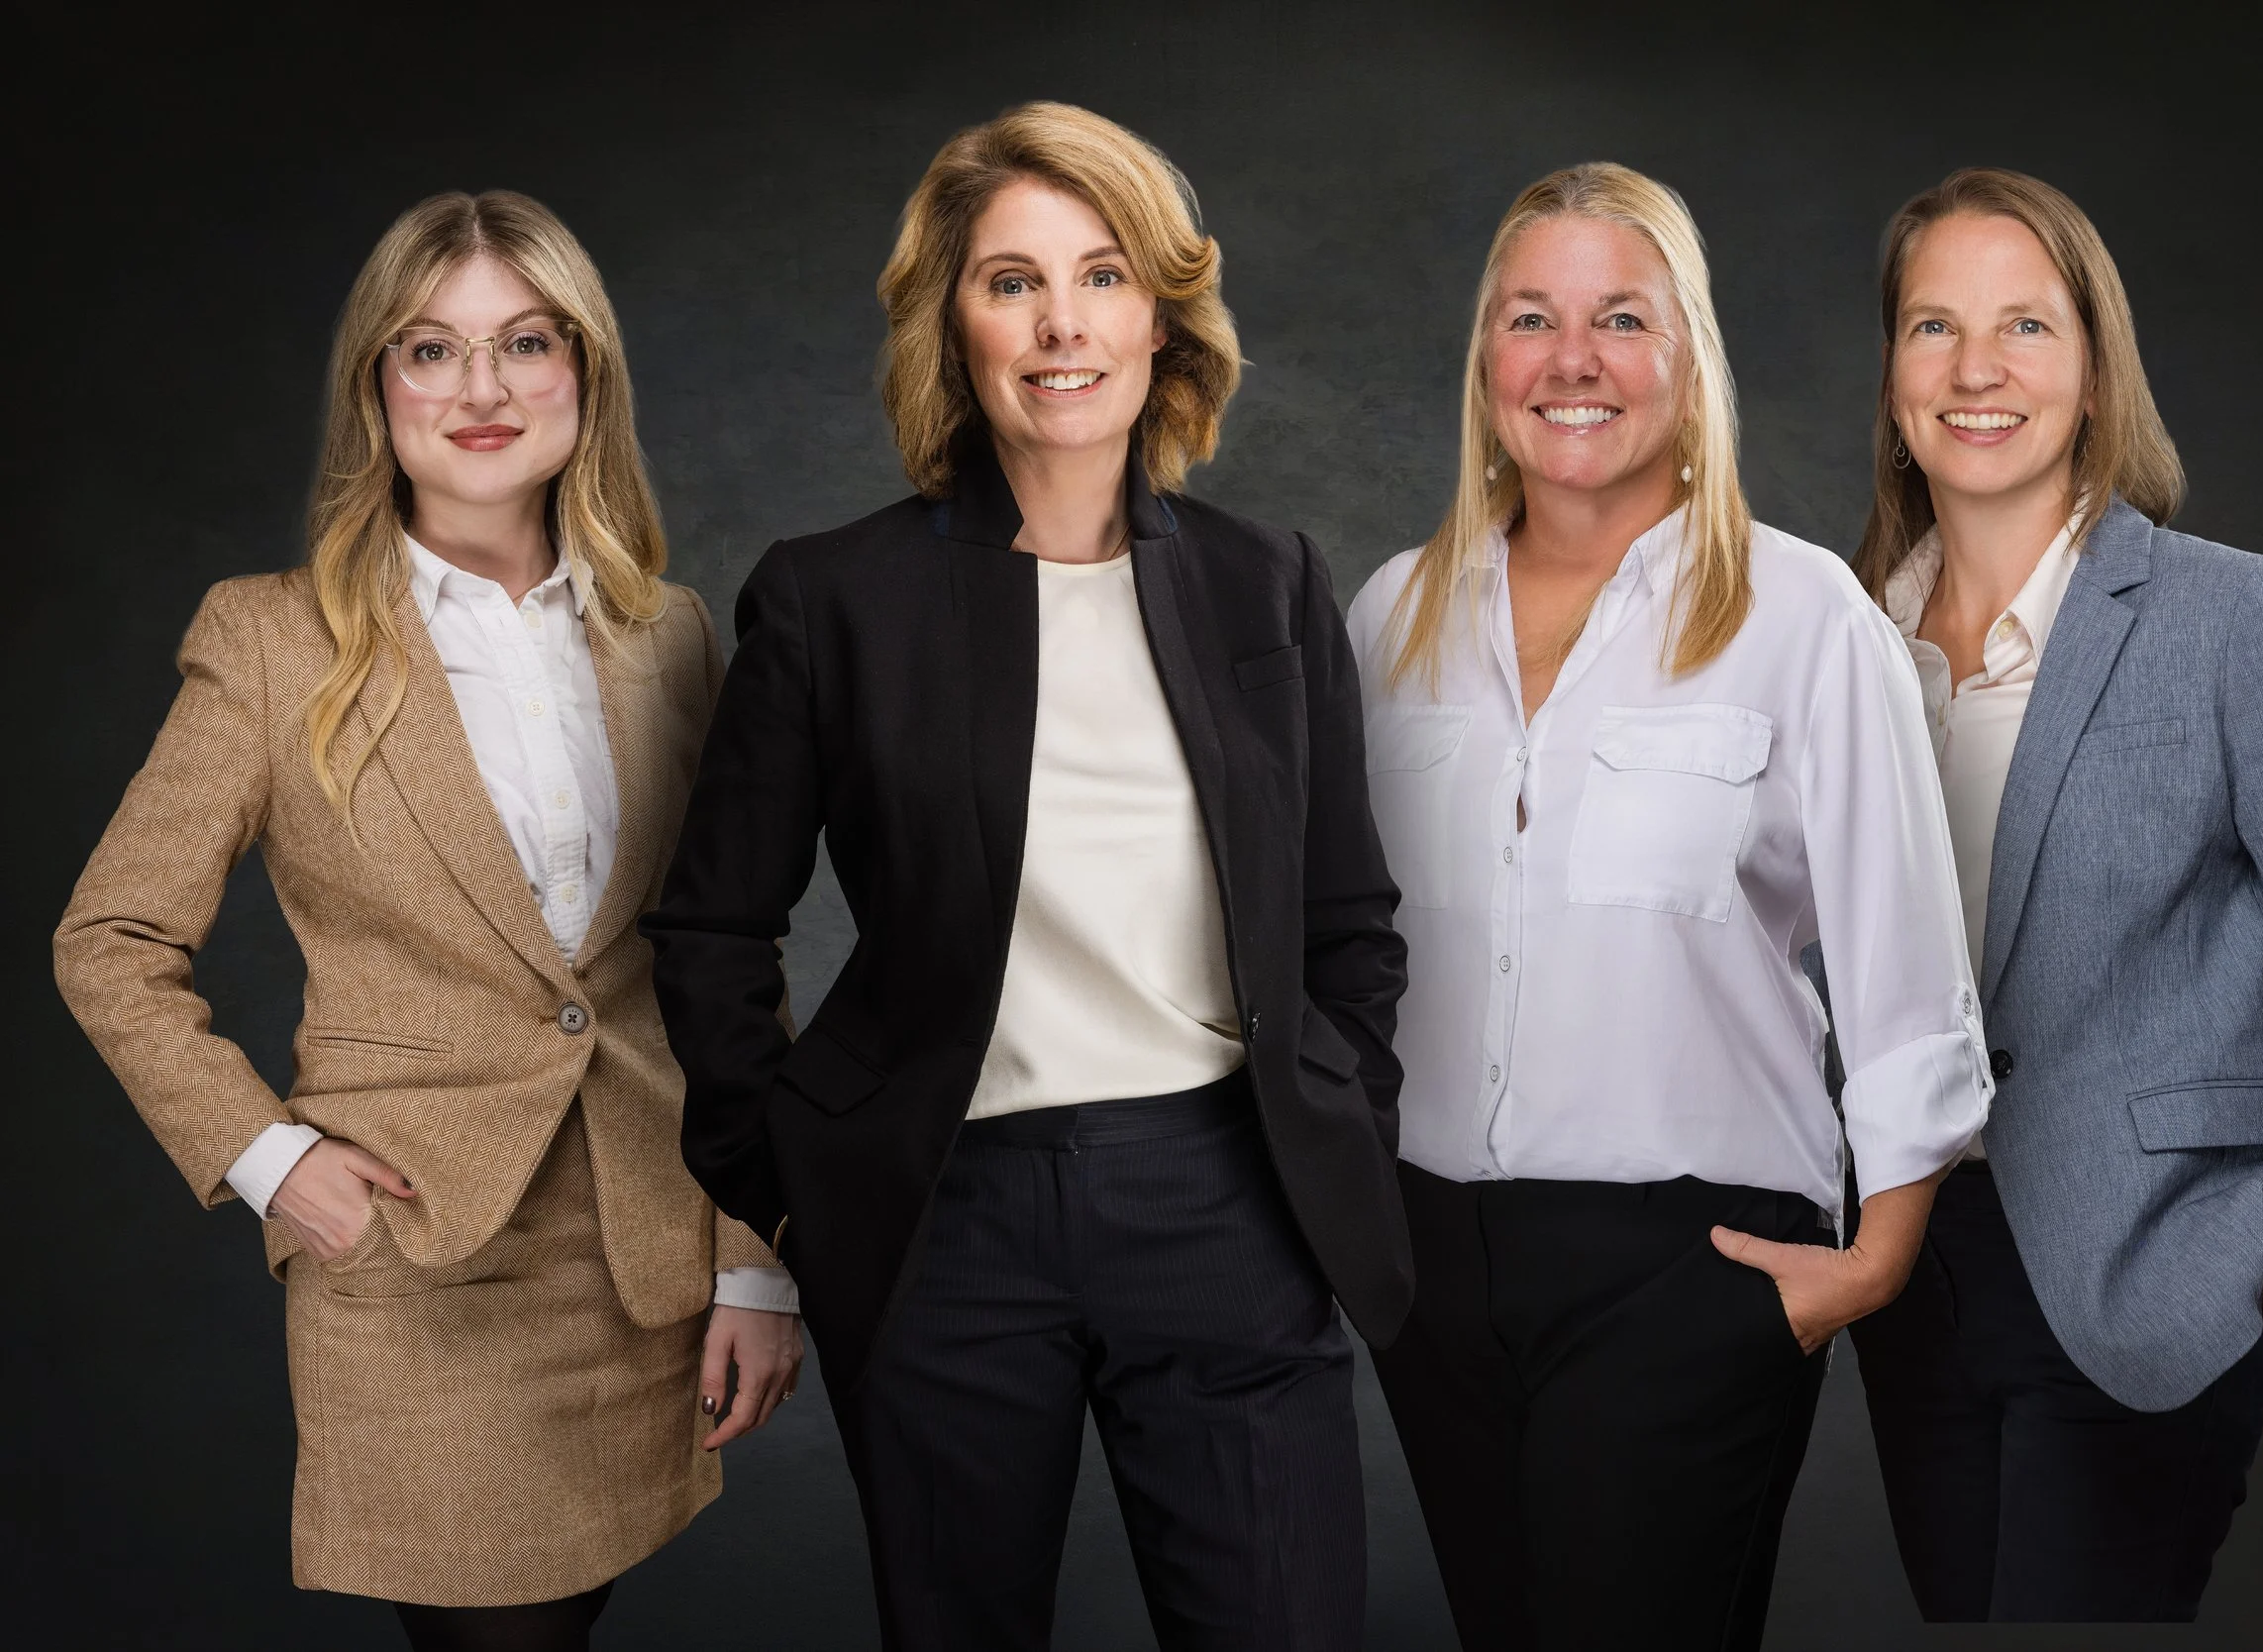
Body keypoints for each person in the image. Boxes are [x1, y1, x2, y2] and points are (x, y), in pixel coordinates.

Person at [642, 102, 1410, 1651]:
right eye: (1011, 282)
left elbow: (1348, 924)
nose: (1063, 323)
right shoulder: (831, 600)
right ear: (958, 325)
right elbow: (716, 923)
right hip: (944, 1218)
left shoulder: (1271, 584)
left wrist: (1334, 1119)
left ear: (1161, 316)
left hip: (1225, 1202)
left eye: (1103, 274)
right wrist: (786, 1183)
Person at [53, 191, 799, 1652]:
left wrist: (757, 1256)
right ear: (374, 388)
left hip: (646, 1255)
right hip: (418, 1265)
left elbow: (725, 968)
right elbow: (112, 941)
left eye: (526, 342)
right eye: (430, 349)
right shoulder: (271, 642)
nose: (481, 390)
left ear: (585, 377)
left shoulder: (673, 635)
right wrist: (268, 1160)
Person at [1345, 162, 1991, 1652]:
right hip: (1430, 1265)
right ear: (1486, 363)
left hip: (1688, 1274)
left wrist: (1872, 1259)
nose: (1572, 360)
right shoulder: (1391, 617)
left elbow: (1907, 967)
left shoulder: (1804, 614)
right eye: (1532, 318)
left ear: (1689, 361)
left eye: (1621, 318)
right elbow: (1342, 949)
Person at [1844, 165, 2263, 1622]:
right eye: (1935, 327)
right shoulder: (1843, 642)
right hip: (1918, 1284)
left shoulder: (2231, 617)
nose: (1977, 370)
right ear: (1892, 373)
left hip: (2151, 1283)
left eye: (2026, 328)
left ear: (2097, 365)